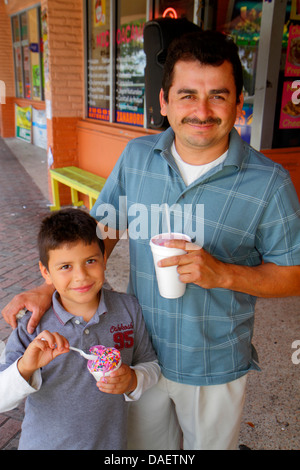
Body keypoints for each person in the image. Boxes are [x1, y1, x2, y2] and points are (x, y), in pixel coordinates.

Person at [2, 30, 300, 450]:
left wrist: (225, 274)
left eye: (218, 95)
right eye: (186, 95)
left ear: (237, 103)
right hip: (138, 358)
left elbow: (293, 275)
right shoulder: (138, 157)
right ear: (164, 101)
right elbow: (99, 234)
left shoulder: (270, 183)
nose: (202, 110)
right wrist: (48, 286)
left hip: (212, 364)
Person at [0, 208, 159, 450]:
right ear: (46, 272)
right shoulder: (33, 324)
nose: (81, 276)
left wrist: (134, 379)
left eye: (90, 261)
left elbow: (150, 363)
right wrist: (26, 366)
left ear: (105, 259)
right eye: (65, 266)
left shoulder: (129, 309)